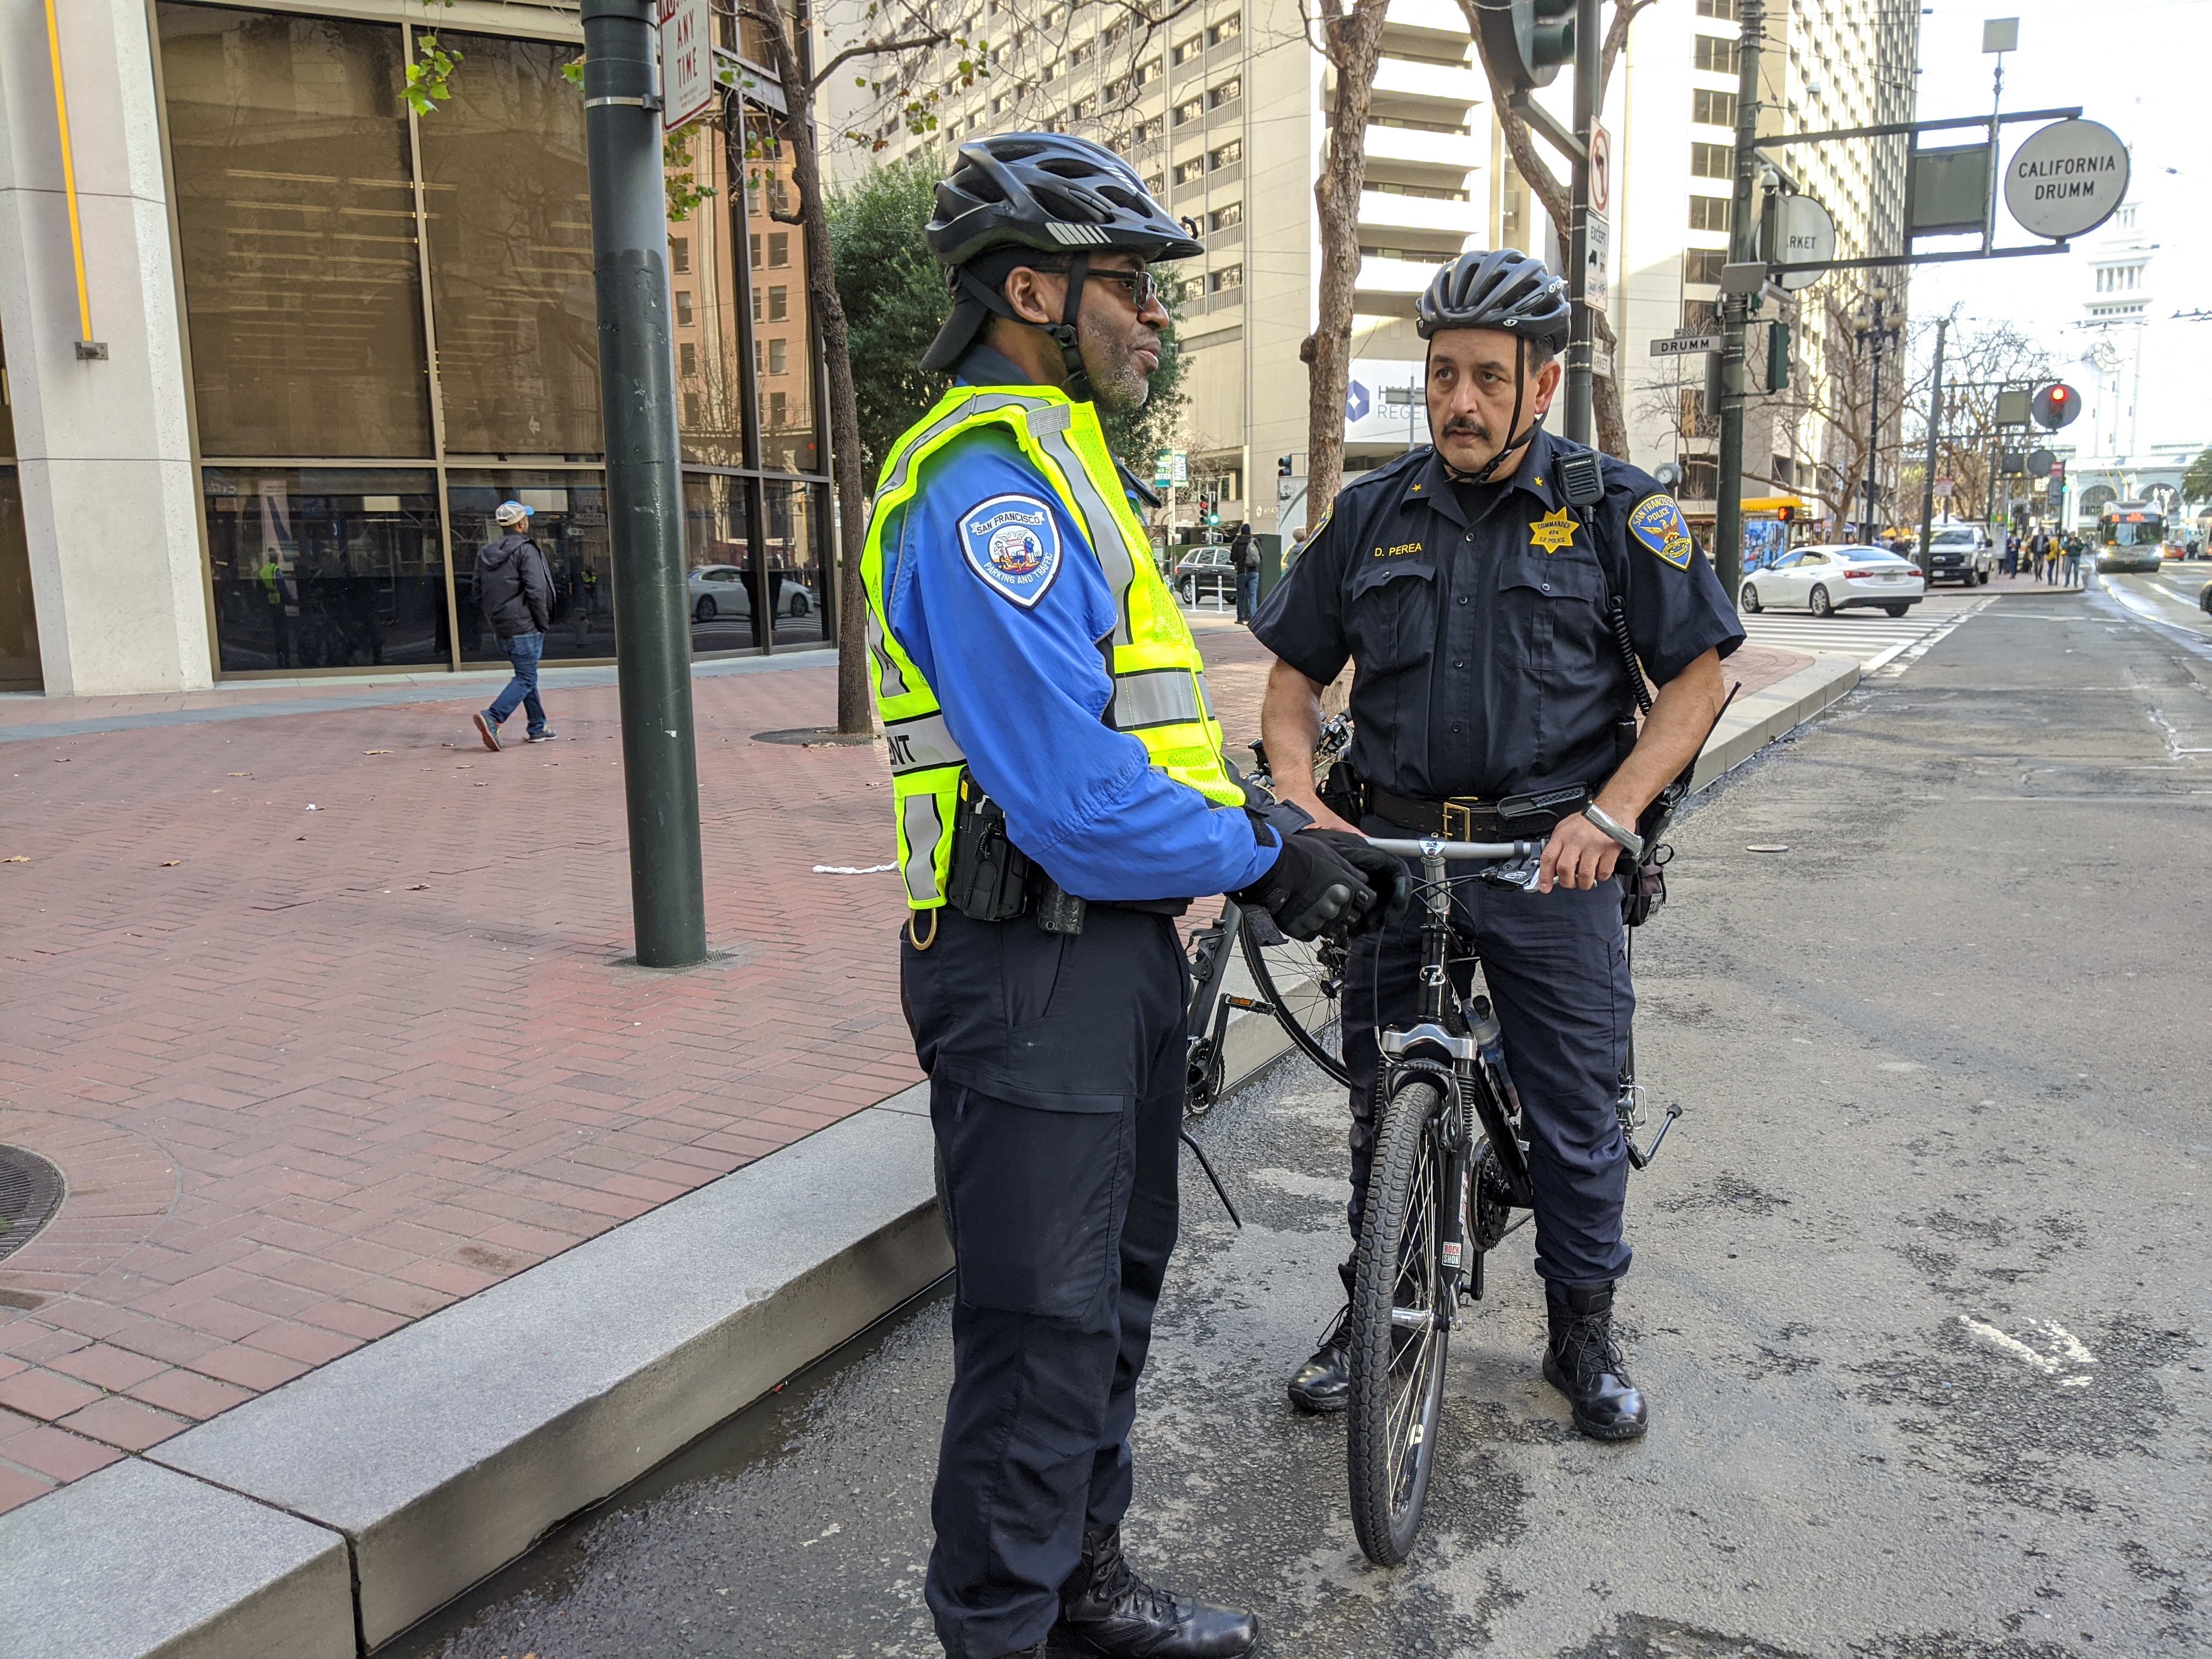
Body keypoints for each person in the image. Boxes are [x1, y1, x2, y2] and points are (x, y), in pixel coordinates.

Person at [863, 133, 1406, 1659]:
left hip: (1103, 967)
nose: (1155, 320)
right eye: (1131, 289)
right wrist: (1262, 858)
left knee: (1107, 1298)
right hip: (1025, 963)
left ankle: (1079, 1590)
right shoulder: (990, 495)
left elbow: (1132, 736)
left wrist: (1261, 814)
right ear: (1032, 290)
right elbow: (1066, 801)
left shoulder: (1066, 463)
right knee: (1038, 1331)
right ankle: (1002, 1627)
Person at [1252, 247, 1742, 1443]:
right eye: (1440, 375)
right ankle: (1380, 1305)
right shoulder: (1371, 515)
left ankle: (1582, 1331)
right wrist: (1300, 800)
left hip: (1550, 858)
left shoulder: (1618, 509)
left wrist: (1611, 817)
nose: (1459, 401)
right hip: (1395, 858)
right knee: (1382, 1106)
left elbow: (1697, 681)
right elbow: (1290, 684)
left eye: (1486, 376)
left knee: (1576, 1116)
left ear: (1542, 382)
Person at [472, 500, 556, 751]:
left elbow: (477, 591)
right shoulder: (526, 550)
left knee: (526, 675)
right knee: (526, 676)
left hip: (502, 626)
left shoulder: (485, 552)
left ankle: (538, 727)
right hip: (525, 625)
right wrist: (542, 621)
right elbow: (537, 590)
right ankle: (494, 717)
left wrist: (494, 617)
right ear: (521, 523)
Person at [1231, 521, 1259, 623]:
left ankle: (1241, 618)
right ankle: (1253, 619)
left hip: (1241, 572)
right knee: (1253, 596)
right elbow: (1261, 555)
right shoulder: (1254, 541)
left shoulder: (1236, 543)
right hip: (1254, 572)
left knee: (1241, 596)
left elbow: (1232, 558)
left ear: (1241, 532)